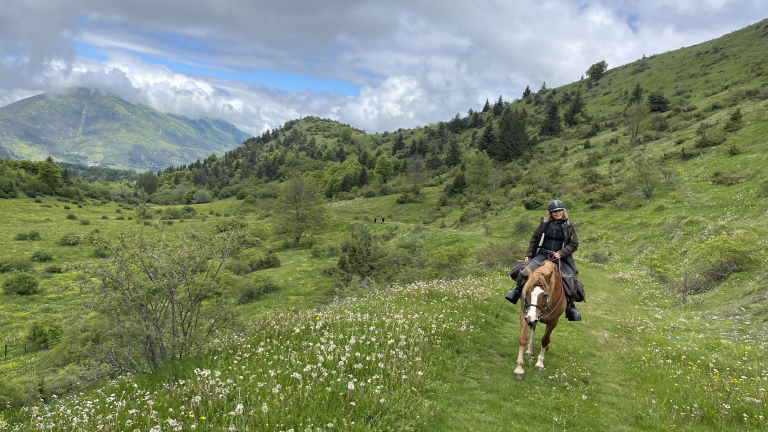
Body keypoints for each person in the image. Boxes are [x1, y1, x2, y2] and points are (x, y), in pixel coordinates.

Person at [507, 200, 583, 321]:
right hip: (542, 254)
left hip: (560, 258)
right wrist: (529, 254)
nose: (558, 213)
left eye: (560, 211)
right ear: (551, 213)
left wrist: (561, 253)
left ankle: (570, 307)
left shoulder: (569, 226)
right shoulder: (545, 224)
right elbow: (534, 239)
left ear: (563, 211)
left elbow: (574, 244)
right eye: (555, 212)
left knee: (572, 279)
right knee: (523, 271)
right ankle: (516, 291)